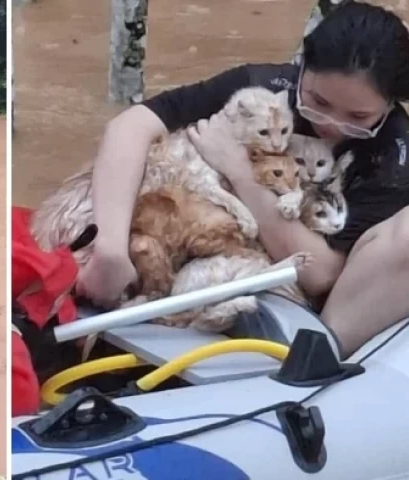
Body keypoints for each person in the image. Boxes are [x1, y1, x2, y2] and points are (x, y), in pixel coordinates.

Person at [76, 1, 409, 358]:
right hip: (188, 240)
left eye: (357, 116)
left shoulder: (392, 152)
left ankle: (312, 362)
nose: (329, 123)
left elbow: (321, 272)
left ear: (389, 104)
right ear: (303, 69)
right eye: (318, 102)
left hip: (295, 293)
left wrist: (239, 171)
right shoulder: (263, 91)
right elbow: (132, 125)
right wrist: (110, 249)